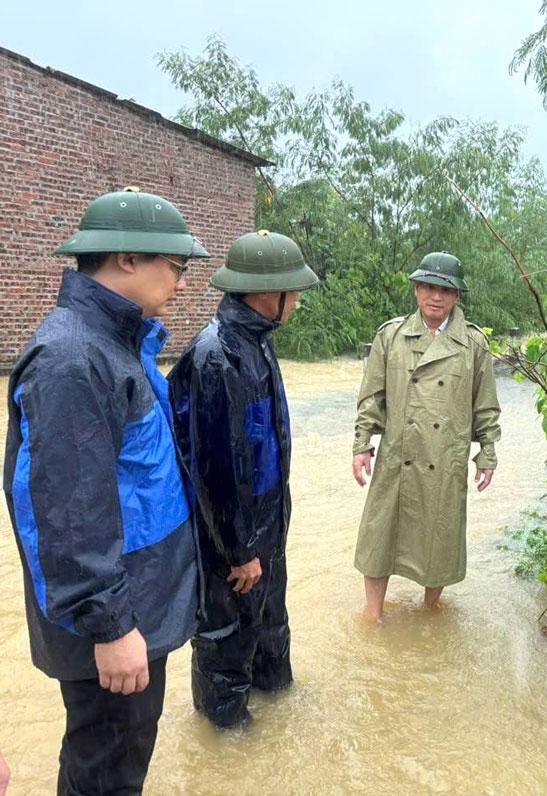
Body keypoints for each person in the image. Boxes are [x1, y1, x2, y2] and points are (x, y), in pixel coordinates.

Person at [2, 187, 208, 794]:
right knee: (105, 773)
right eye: (175, 266)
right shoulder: (72, 357)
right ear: (126, 259)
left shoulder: (119, 343)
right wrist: (111, 627)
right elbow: (66, 512)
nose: (181, 281)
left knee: (121, 762)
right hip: (116, 628)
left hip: (139, 607)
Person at [168, 229, 319, 728]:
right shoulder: (217, 357)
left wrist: (265, 540)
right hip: (230, 540)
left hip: (267, 524)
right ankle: (226, 741)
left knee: (271, 628)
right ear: (264, 293)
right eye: (292, 291)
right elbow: (214, 470)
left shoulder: (258, 343)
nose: (297, 300)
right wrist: (239, 551)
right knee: (227, 642)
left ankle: (277, 709)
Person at [352, 252, 501, 621]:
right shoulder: (391, 336)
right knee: (379, 537)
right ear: (417, 289)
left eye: (445, 290)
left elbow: (485, 405)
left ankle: (430, 612)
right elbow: (372, 397)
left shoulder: (474, 344)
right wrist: (362, 445)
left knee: (439, 538)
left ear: (457, 297)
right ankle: (374, 618)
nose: (436, 296)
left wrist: (487, 454)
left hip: (444, 455)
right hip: (397, 453)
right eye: (429, 287)